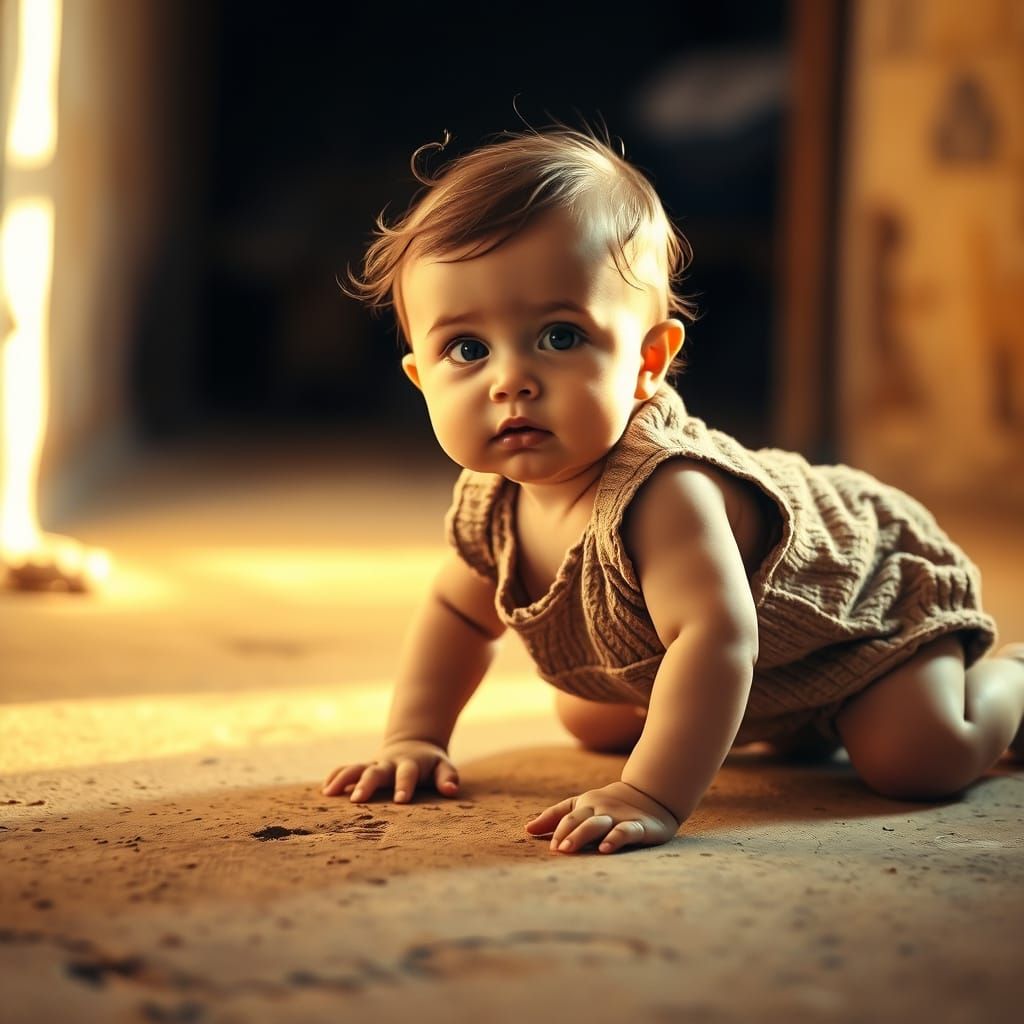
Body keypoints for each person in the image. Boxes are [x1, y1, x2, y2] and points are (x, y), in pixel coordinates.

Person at [322, 125, 1024, 855]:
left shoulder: (664, 489)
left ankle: (1012, 678)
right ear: (420, 379)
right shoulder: (492, 503)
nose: (511, 380)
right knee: (590, 715)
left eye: (560, 337)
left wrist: (649, 793)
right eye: (467, 349)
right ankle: (789, 729)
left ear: (648, 360)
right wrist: (415, 737)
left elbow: (716, 639)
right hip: (762, 680)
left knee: (920, 758)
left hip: (859, 621)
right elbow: (456, 613)